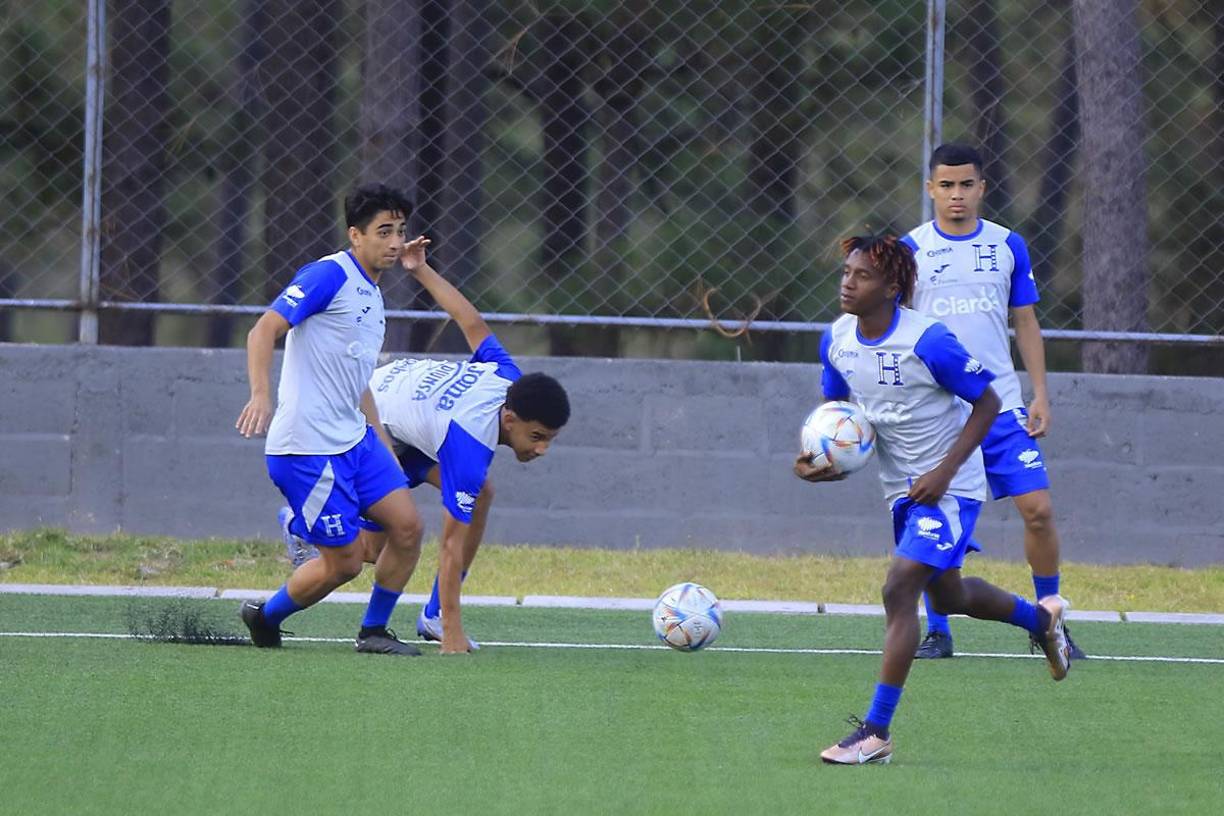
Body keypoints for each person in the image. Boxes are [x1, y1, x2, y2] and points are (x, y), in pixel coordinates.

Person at [795, 233, 1072, 766]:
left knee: (899, 588)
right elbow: (835, 411)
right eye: (845, 273)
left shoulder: (930, 341)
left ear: (893, 287)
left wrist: (945, 473)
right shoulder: (835, 339)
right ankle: (1039, 622)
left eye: (862, 275)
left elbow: (989, 401)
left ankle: (875, 733)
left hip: (952, 484)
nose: (848, 283)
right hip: (901, 489)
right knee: (947, 597)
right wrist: (817, 459)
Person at [279, 237, 570, 654]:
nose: (541, 449)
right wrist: (456, 634)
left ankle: (431, 614)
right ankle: (300, 523)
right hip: (369, 420)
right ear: (510, 418)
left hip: (410, 421)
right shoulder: (470, 448)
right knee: (376, 549)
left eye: (550, 441)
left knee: (477, 496)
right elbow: (451, 544)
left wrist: (420, 269)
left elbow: (468, 320)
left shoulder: (509, 377)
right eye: (537, 437)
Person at [903, 143, 1084, 660]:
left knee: (1039, 511)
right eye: (946, 185)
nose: (956, 196)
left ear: (982, 188)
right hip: (939, 415)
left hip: (1000, 407)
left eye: (966, 185)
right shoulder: (909, 249)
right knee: (937, 522)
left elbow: (1025, 322)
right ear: (930, 189)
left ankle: (1049, 619)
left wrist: (1040, 394)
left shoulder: (1008, 245)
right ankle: (938, 629)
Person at [235, 183, 427, 656]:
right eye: (383, 231)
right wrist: (261, 395)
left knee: (406, 528)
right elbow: (263, 330)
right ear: (355, 235)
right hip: (307, 449)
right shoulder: (328, 275)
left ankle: (374, 632)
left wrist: (380, 439)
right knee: (344, 565)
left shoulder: (373, 293)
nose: (394, 241)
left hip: (354, 441)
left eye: (400, 230)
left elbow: (355, 377)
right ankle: (265, 617)